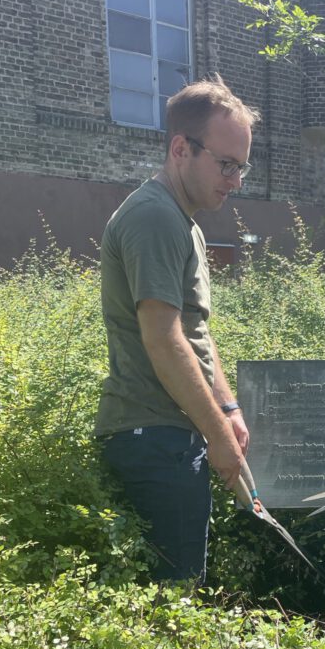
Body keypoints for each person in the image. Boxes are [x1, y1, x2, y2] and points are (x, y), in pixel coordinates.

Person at [95, 75, 259, 582]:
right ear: (181, 148)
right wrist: (217, 435)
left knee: (175, 590)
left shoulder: (180, 219)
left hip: (167, 432)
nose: (235, 181)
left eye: (242, 167)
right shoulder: (155, 218)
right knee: (175, 598)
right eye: (226, 164)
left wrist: (227, 409)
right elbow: (162, 338)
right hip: (153, 438)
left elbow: (194, 334)